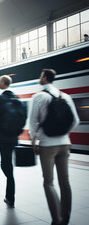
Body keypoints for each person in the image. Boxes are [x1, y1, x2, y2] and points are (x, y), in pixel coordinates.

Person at [29, 69, 80, 225]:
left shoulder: (38, 97)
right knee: (65, 182)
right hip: (65, 144)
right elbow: (75, 121)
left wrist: (33, 141)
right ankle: (66, 218)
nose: (39, 78)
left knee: (48, 182)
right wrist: (65, 134)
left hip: (47, 145)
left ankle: (56, 219)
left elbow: (32, 123)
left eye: (40, 76)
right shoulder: (65, 96)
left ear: (45, 78)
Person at [0, 75, 18, 208]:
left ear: (4, 83)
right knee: (8, 163)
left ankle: (10, 194)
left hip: (3, 137)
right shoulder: (16, 98)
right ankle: (9, 195)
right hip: (13, 137)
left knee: (5, 164)